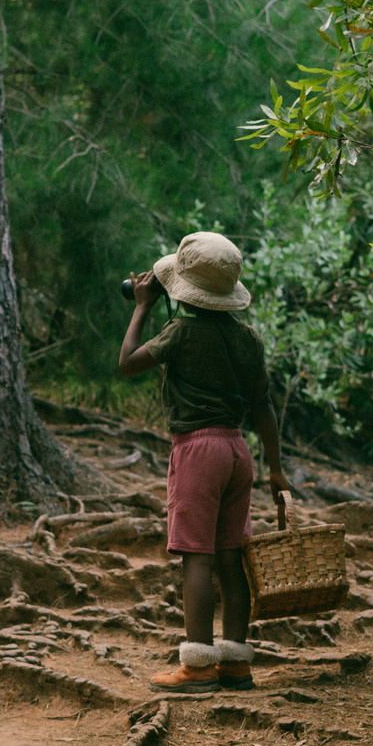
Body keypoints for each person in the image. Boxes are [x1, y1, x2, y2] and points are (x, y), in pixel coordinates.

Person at [118, 231, 290, 694]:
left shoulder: (180, 331)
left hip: (197, 450)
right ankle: (235, 662)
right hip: (238, 452)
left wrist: (141, 306)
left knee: (196, 556)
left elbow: (128, 363)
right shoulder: (248, 339)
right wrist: (275, 468)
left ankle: (196, 667)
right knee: (231, 556)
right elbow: (264, 407)